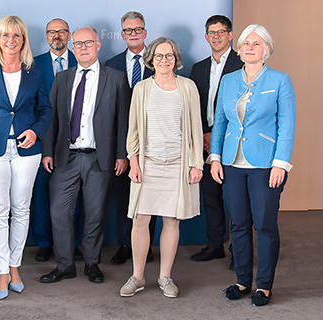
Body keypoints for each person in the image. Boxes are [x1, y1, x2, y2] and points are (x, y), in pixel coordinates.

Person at [210, 24, 296, 307]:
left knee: (265, 225)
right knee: (239, 224)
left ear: (266, 49)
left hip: (266, 165)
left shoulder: (280, 80)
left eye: (256, 43)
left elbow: (287, 125)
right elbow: (220, 123)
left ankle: (264, 286)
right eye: (246, 43)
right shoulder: (229, 80)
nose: (249, 47)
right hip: (232, 162)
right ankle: (243, 280)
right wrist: (215, 158)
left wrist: (280, 164)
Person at [39, 27, 130, 285]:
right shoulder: (63, 79)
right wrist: (47, 152)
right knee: (59, 212)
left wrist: (122, 155)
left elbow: (123, 120)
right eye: (77, 44)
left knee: (94, 213)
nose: (82, 48)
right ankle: (65, 264)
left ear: (98, 45)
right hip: (65, 157)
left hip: (99, 158)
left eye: (88, 43)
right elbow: (52, 118)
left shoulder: (115, 78)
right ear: (72, 46)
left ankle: (92, 263)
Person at [0, 15, 52, 300]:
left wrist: (36, 132)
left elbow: (46, 111)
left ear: (23, 40)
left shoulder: (36, 72)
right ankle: (2, 271)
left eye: (17, 36)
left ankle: (15, 266)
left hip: (27, 150)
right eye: (6, 35)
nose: (11, 41)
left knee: (21, 209)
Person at [120, 36, 203, 298]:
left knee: (171, 220)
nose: (164, 61)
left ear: (176, 60)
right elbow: (132, 130)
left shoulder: (188, 87)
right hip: (147, 165)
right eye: (159, 56)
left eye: (169, 56)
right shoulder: (142, 88)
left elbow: (196, 130)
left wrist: (195, 164)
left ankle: (165, 277)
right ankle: (138, 277)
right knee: (140, 220)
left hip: (177, 166)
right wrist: (133, 161)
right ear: (151, 60)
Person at [189, 15, 244, 265]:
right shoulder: (198, 68)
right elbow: (193, 107)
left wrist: (218, 136)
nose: (217, 36)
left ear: (230, 35)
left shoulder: (243, 64)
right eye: (212, 32)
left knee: (235, 200)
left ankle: (238, 251)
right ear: (206, 36)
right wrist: (204, 134)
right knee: (210, 196)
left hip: (234, 142)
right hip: (205, 142)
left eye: (221, 31)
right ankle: (215, 245)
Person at [104, 11, 156, 266]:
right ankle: (126, 244)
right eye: (128, 30)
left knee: (152, 194)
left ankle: (148, 244)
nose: (133, 34)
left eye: (138, 29)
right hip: (121, 142)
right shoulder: (111, 64)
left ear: (145, 33)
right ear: (122, 34)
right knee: (124, 196)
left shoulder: (159, 61)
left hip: (154, 141)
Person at [31, 18, 84, 263]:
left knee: (74, 193)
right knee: (42, 191)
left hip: (76, 138)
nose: (57, 36)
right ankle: (44, 242)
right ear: (46, 36)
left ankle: (72, 242)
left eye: (62, 31)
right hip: (42, 137)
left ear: (69, 35)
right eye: (52, 32)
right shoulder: (33, 64)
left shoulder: (82, 60)